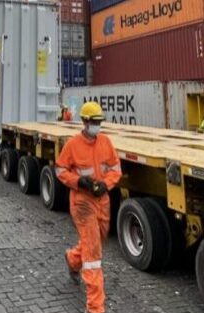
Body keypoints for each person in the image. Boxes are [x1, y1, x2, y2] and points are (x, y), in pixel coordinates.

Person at [55, 102, 121, 313]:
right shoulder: (73, 145)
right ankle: (95, 308)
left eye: (99, 122)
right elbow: (60, 169)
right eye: (93, 122)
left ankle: (73, 259)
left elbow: (115, 168)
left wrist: (106, 184)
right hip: (82, 202)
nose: (96, 125)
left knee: (96, 241)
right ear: (84, 122)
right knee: (93, 255)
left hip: (102, 200)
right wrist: (77, 181)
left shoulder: (106, 142)